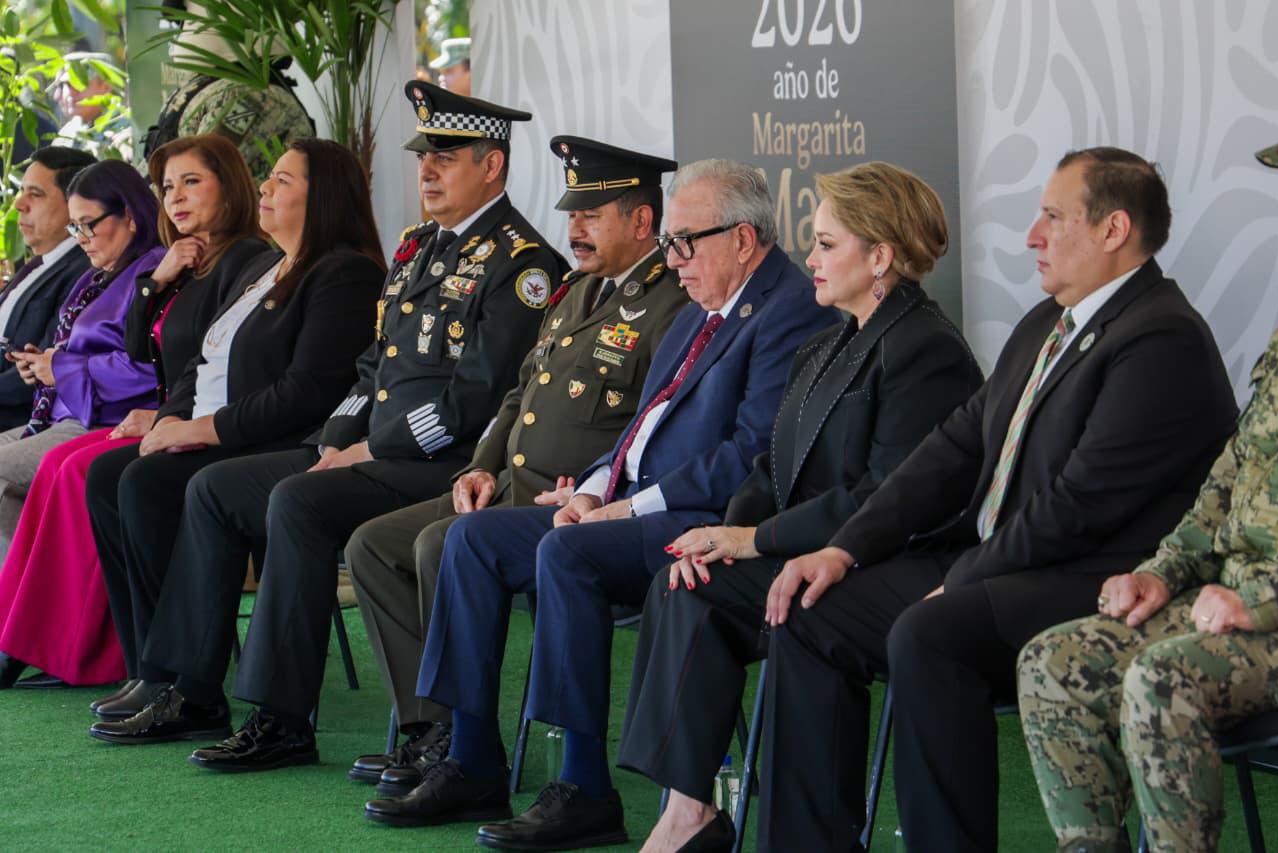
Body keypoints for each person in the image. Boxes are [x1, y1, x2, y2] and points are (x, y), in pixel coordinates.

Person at [741, 147, 1240, 853]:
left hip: (1092, 581)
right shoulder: (1049, 321)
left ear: (1113, 229)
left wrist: (959, 580)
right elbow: (952, 448)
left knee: (927, 634)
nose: (1032, 234)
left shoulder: (1162, 336)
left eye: (1053, 216)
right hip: (1005, 566)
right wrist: (841, 547)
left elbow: (1078, 506)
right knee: (808, 606)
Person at [363, 159, 838, 851]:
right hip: (636, 505)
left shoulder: (786, 308)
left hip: (708, 522)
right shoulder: (700, 305)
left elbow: (749, 455)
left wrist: (629, 506)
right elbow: (637, 429)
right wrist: (590, 488)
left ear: (742, 238)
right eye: (669, 242)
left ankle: (583, 786)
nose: (673, 259)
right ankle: (471, 758)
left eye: (686, 241)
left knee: (568, 550)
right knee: (471, 540)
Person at [89, 83, 565, 768]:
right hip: (370, 448)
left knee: (298, 501)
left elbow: (478, 397)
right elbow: (371, 369)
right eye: (424, 157)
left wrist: (374, 445)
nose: (427, 171)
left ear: (492, 167)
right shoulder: (419, 249)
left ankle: (282, 717)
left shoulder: (520, 263)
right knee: (217, 489)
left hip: (447, 461)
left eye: (447, 158)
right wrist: (336, 440)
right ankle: (188, 685)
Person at [616, 162, 985, 852]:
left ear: (881, 256)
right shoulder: (825, 340)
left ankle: (805, 836)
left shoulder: (926, 349)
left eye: (826, 244)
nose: (807, 259)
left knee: (797, 607)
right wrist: (724, 529)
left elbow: (886, 495)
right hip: (811, 543)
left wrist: (757, 540)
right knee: (686, 581)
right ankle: (687, 810)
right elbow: (770, 465)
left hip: (896, 556)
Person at [346, 135, 688, 795]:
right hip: (504, 486)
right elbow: (519, 394)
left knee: (439, 543)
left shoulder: (670, 303)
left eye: (592, 214)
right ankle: (432, 730)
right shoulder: (575, 289)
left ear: (643, 221)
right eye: (571, 214)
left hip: (573, 505)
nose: (574, 229)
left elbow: (655, 423)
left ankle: (471, 751)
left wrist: (595, 484)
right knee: (371, 546)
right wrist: (478, 464)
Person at [79, 138, 384, 727]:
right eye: (268, 179)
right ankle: (152, 667)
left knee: (150, 483)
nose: (266, 188)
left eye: (283, 181)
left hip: (286, 440)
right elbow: (203, 361)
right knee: (109, 474)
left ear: (321, 198)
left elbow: (306, 393)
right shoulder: (271, 267)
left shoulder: (343, 272)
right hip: (233, 430)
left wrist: (199, 429)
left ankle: (190, 685)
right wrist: (171, 417)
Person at [0, 135, 269, 691]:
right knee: (77, 470)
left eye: (192, 182)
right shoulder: (175, 263)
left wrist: (162, 411)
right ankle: (62, 642)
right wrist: (158, 281)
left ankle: (123, 659)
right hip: (145, 413)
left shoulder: (242, 259)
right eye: (169, 185)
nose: (177, 197)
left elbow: (169, 366)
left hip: (150, 415)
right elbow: (160, 348)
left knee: (78, 470)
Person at [1018, 325, 1278, 852]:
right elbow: (1225, 486)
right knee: (1052, 663)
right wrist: (1162, 572)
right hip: (1224, 605)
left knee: (1161, 679)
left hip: (1264, 615)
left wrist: (1262, 601)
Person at [0, 160, 166, 560]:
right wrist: (44, 363)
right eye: (76, 227)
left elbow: (147, 368)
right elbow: (77, 351)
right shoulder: (97, 275)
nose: (82, 238)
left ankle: (18, 603)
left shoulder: (155, 270)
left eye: (89, 224)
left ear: (128, 215)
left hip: (108, 416)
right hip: (63, 411)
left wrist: (60, 368)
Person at [0, 148, 96, 429]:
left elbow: (35, 371)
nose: (19, 204)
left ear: (75, 204)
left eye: (36, 194)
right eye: (22, 191)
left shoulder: (83, 270)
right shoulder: (39, 264)